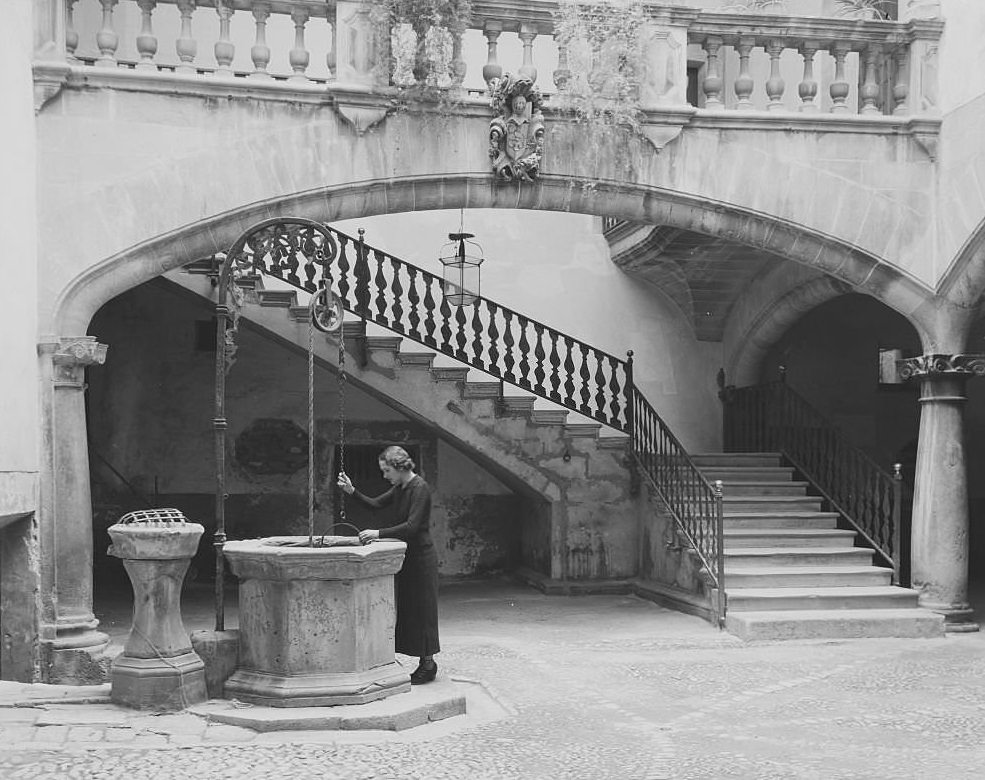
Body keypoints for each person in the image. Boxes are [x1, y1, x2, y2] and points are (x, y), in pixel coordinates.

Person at [336, 446, 440, 684]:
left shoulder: (419, 488)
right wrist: (352, 491)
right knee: (409, 610)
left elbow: (413, 527)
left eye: (386, 470)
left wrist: (378, 533)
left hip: (422, 558)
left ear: (400, 467)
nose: (384, 476)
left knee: (423, 611)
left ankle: (429, 663)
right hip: (408, 556)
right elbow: (374, 505)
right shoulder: (401, 487)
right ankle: (422, 661)